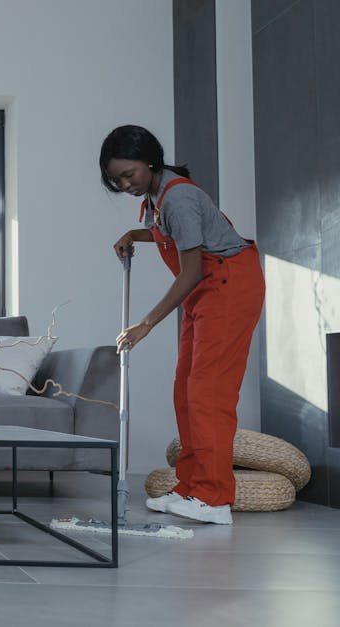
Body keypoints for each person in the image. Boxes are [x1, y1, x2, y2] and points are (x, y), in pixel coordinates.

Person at [101, 124, 264, 525]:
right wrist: (134, 234)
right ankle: (192, 487)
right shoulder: (158, 196)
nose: (125, 185)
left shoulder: (181, 197)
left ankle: (214, 497)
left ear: (150, 161)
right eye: (116, 180)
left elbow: (191, 270)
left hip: (226, 285)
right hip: (206, 290)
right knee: (186, 389)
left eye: (129, 174)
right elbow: (169, 236)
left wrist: (146, 323)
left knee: (209, 392)